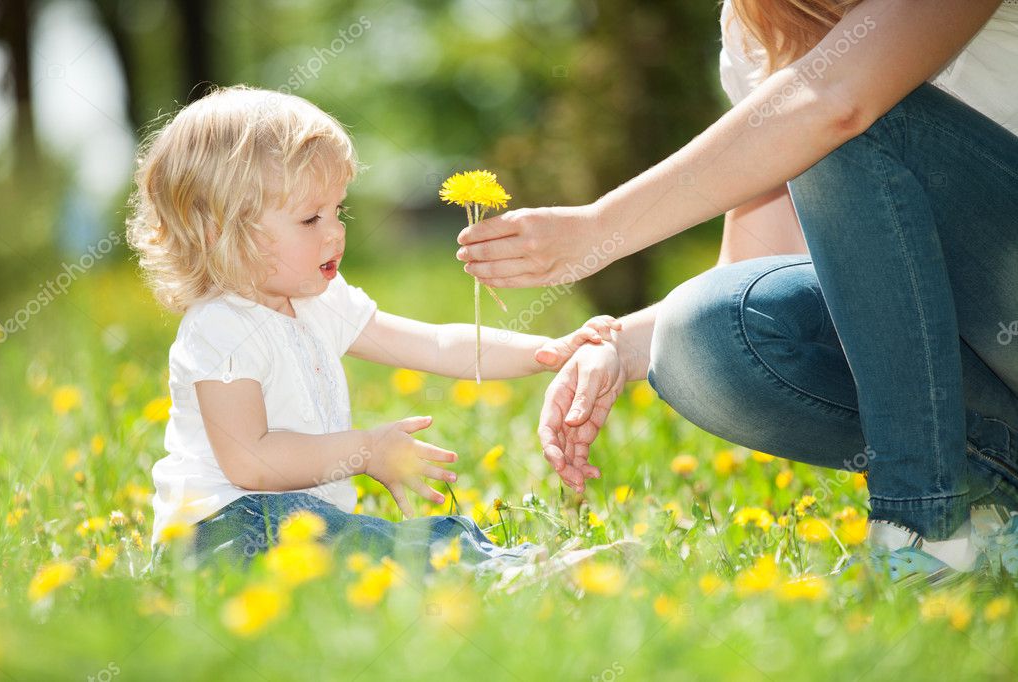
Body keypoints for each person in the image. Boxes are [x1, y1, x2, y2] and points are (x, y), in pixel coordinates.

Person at [455, 0, 1018, 584]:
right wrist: (616, 348)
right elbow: (753, 269)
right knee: (706, 332)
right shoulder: (757, 24)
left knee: (831, 116)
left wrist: (596, 230)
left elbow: (837, 102)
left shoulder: (820, 96)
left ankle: (925, 532)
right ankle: (998, 508)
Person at [125, 86, 618, 572]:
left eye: (337, 210)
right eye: (309, 218)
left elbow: (438, 343)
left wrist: (550, 350)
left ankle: (515, 567)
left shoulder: (319, 302)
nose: (336, 231)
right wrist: (365, 451)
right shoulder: (222, 326)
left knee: (393, 540)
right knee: (365, 544)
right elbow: (250, 462)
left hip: (300, 523)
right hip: (220, 535)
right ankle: (513, 575)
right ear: (219, 231)